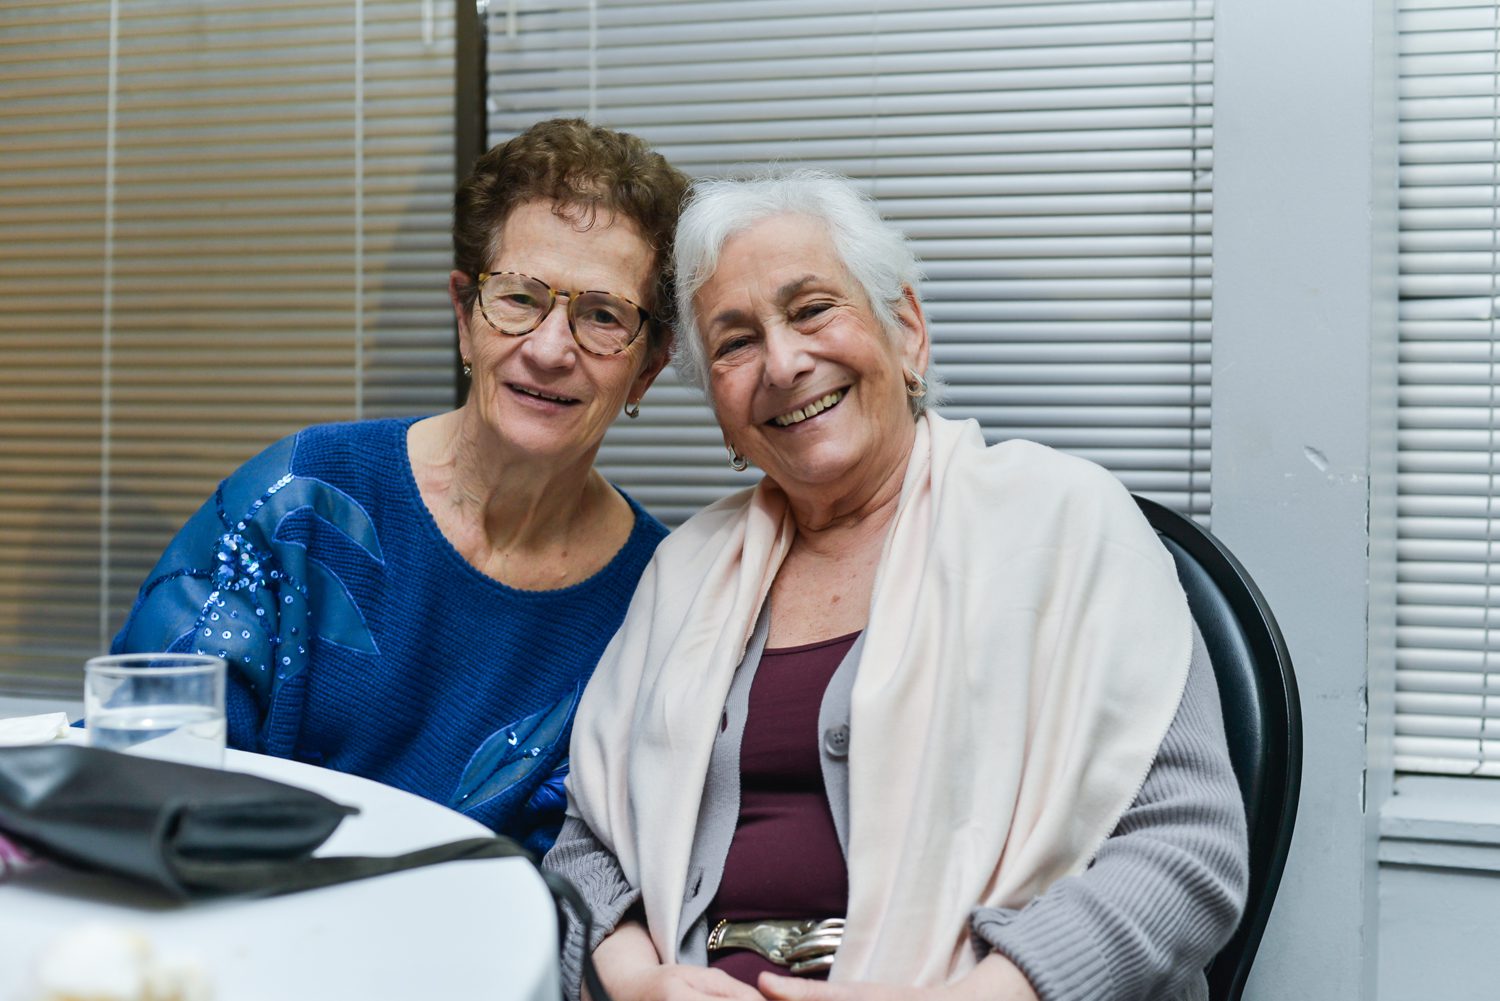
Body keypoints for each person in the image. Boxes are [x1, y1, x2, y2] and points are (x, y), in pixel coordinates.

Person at [545, 169, 1249, 1001]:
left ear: (907, 332)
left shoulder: (1065, 522)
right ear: (723, 412)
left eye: (811, 310)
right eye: (735, 343)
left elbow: (1187, 850)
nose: (783, 361)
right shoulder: (685, 569)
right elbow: (585, 845)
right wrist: (634, 983)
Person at [111, 119, 689, 853]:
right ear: (463, 316)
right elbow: (141, 763)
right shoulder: (298, 501)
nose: (549, 349)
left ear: (648, 366)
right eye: (518, 298)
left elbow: (593, 876)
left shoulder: (656, 603)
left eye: (602, 316)